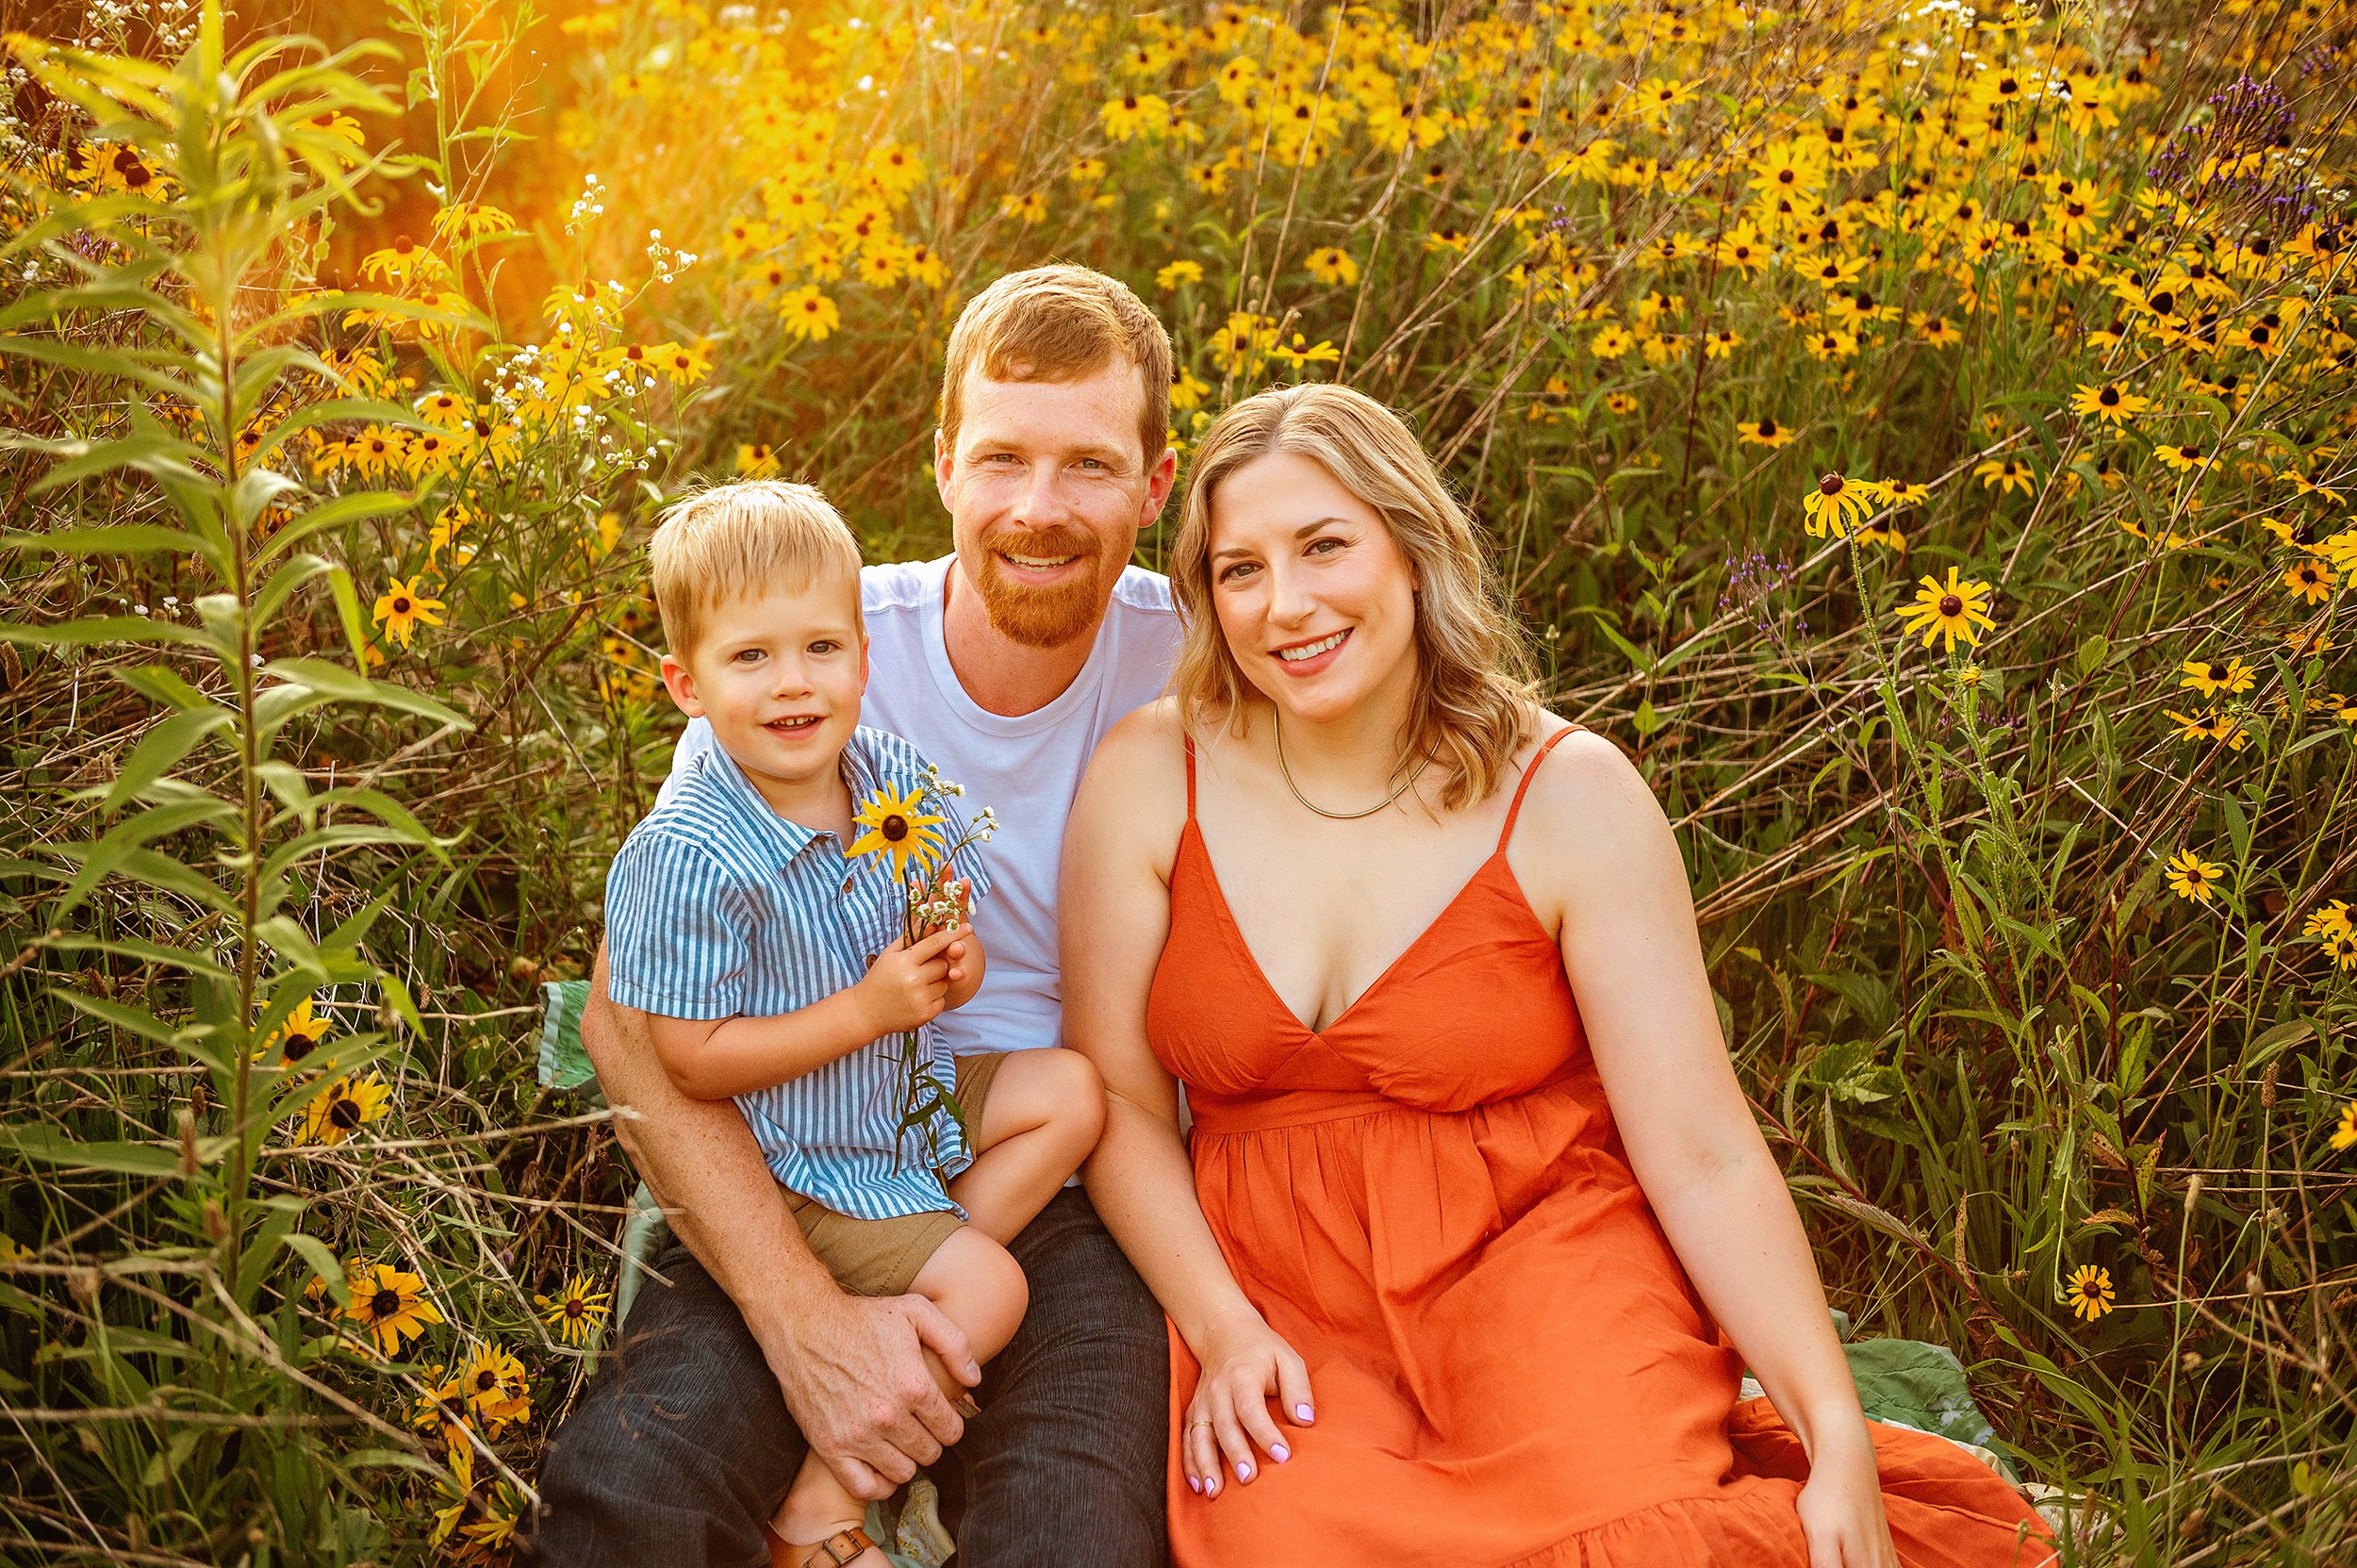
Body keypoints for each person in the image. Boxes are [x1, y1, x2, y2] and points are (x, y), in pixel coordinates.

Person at [1061, 382, 2058, 1567]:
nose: (1286, 605)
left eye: (1324, 545)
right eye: (1240, 570)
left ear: (1412, 547)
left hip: (1537, 1250)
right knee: (1293, 1538)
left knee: (1635, 1533)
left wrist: (1832, 1425)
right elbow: (1117, 1101)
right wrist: (1222, 1329)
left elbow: (1701, 1149)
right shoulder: (1151, 769)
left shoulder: (1569, 794)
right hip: (1275, 1293)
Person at [531, 266, 1180, 1568]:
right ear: (943, 463)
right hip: (796, 1152)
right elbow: (628, 1018)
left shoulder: (1203, 661)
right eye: (1001, 457)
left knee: (1081, 1523)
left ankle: (861, 1476)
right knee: (634, 1497)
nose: (1038, 509)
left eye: (1090, 465)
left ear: (1157, 485)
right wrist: (800, 1316)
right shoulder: (807, 654)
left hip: (1055, 1165)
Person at [601, 480, 1107, 1568]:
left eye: (821, 647)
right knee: (994, 1288)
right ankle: (819, 1507)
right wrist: (867, 1009)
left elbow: (933, 916)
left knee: (1071, 1091)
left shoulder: (885, 775)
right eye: (752, 658)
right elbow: (688, 1061)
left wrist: (949, 966)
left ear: (864, 659)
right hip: (803, 1154)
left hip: (897, 1102)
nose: (794, 683)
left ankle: (912, 1258)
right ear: (685, 684)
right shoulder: (688, 853)